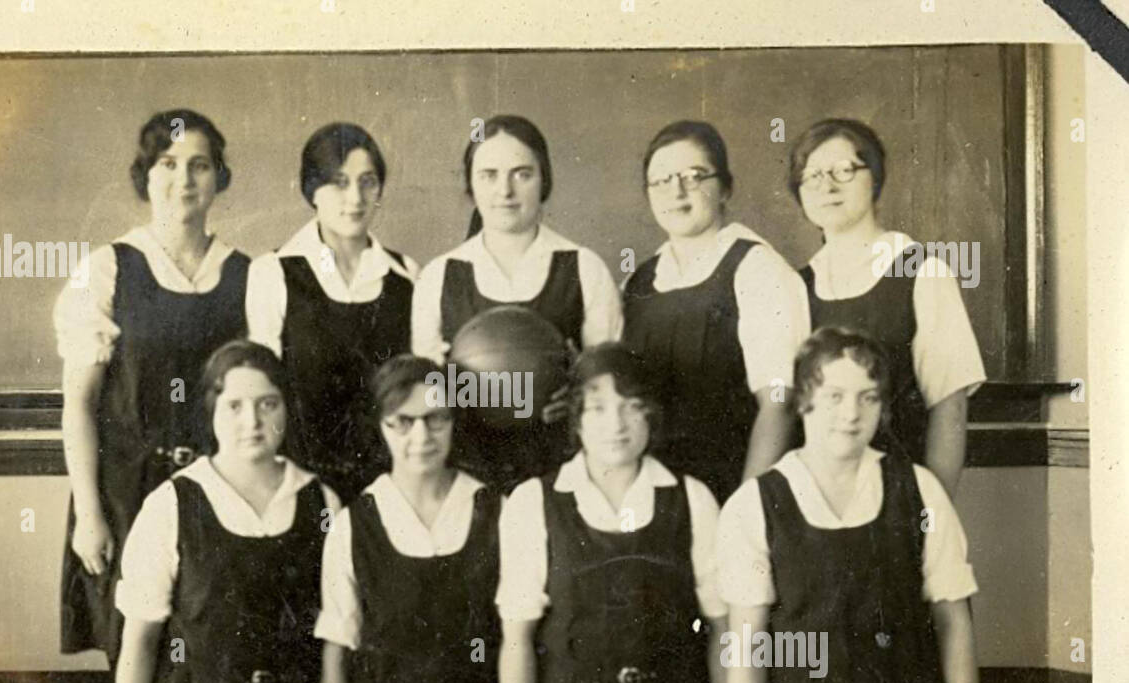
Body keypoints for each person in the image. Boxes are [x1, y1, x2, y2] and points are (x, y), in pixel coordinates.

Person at [54, 109, 250, 669]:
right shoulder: (109, 269)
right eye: (168, 164)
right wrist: (90, 514)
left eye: (199, 165)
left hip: (216, 491)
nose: (183, 180)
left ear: (219, 178)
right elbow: (80, 406)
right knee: (134, 658)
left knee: (210, 655)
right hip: (125, 495)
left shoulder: (248, 275)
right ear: (145, 175)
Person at [719, 326, 978, 683]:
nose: (851, 415)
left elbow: (952, 621)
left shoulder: (919, 491)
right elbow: (748, 641)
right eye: (834, 397)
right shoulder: (754, 505)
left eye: (867, 398)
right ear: (805, 400)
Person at [114, 340, 339, 683]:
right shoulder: (173, 503)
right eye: (235, 406)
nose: (251, 422)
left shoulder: (321, 502)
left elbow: (337, 642)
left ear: (286, 408)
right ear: (212, 411)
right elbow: (140, 642)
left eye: (267, 404)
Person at [497, 343, 725, 683]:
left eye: (631, 407)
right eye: (598, 408)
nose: (616, 425)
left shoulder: (692, 499)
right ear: (577, 418)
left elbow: (723, 631)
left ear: (651, 414)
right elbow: (517, 642)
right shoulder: (533, 501)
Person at [411, 115, 623, 491]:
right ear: (470, 185)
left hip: (565, 475)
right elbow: (423, 395)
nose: (504, 191)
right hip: (465, 476)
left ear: (545, 182)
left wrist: (579, 394)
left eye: (522, 174)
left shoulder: (583, 267)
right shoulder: (438, 276)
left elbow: (610, 384)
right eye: (489, 175)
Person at [788, 118, 986, 495]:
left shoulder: (921, 272)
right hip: (812, 501)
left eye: (844, 170)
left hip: (897, 497)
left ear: (874, 177)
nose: (826, 186)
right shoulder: (797, 284)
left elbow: (950, 409)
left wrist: (932, 516)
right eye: (812, 175)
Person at [623, 120, 809, 503]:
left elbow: (779, 405)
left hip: (732, 489)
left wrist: (744, 518)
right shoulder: (637, 283)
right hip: (654, 501)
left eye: (694, 176)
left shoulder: (757, 268)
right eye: (661, 180)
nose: (676, 191)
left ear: (725, 188)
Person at [316, 355, 502, 683]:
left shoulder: (497, 511)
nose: (421, 437)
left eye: (436, 419)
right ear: (382, 426)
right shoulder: (354, 524)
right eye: (402, 422)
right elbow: (337, 653)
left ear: (454, 421)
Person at [247, 122, 417, 503]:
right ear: (312, 189)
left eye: (367, 182)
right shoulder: (273, 272)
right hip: (300, 487)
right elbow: (263, 393)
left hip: (389, 487)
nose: (355, 198)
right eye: (339, 182)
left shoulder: (406, 275)